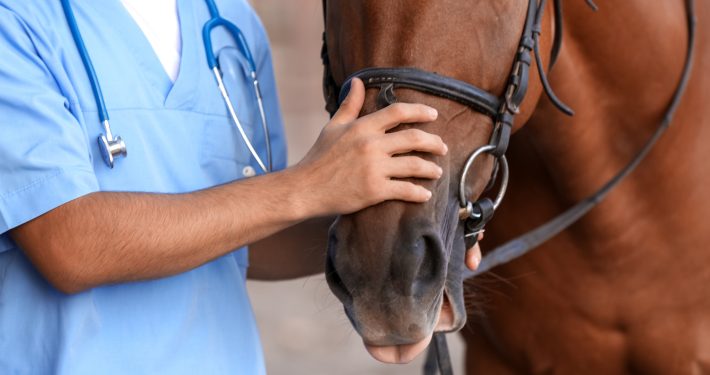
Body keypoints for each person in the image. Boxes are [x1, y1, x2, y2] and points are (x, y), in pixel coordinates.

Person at [0, 0, 482, 373]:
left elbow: (249, 234)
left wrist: (399, 246)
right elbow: (68, 244)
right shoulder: (16, 21)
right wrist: (308, 186)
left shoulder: (230, 26)